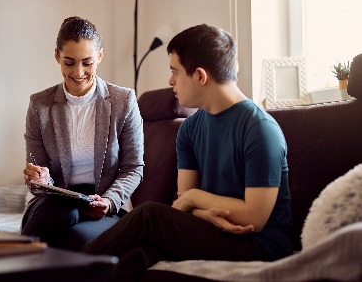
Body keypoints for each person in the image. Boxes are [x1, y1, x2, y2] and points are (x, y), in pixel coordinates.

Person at [81, 24, 294, 281]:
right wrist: (201, 210)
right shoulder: (190, 129)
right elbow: (183, 204)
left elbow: (254, 217)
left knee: (149, 215)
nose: (170, 81)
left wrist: (194, 198)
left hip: (261, 245)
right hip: (214, 229)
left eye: (175, 71)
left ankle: (62, 272)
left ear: (200, 76)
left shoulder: (260, 129)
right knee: (138, 254)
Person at [21, 16, 144, 251]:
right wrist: (40, 178)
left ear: (100, 56)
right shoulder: (40, 105)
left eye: (87, 62)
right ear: (57, 56)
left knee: (77, 240)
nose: (78, 72)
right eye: (69, 62)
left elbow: (133, 167)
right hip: (53, 205)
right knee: (60, 214)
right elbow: (38, 175)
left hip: (103, 206)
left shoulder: (124, 101)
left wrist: (109, 201)